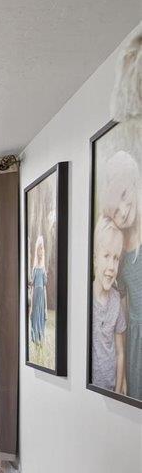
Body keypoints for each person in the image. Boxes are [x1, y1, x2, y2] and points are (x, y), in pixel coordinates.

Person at [100, 150, 142, 397]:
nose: (124, 211)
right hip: (136, 344)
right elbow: (123, 312)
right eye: (116, 209)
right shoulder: (119, 251)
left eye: (125, 196)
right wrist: (122, 374)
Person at [91, 217, 127, 393]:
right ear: (95, 259)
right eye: (106, 256)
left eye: (116, 258)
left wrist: (118, 390)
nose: (112, 266)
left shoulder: (116, 302)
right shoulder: (87, 300)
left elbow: (120, 353)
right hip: (89, 388)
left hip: (112, 388)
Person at [29, 235, 47, 346]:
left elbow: (44, 285)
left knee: (41, 315)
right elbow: (33, 285)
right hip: (36, 294)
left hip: (41, 295)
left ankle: (40, 336)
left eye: (42, 248)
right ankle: (35, 337)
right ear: (37, 251)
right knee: (35, 315)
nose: (41, 251)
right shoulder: (35, 268)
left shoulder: (43, 268)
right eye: (39, 248)